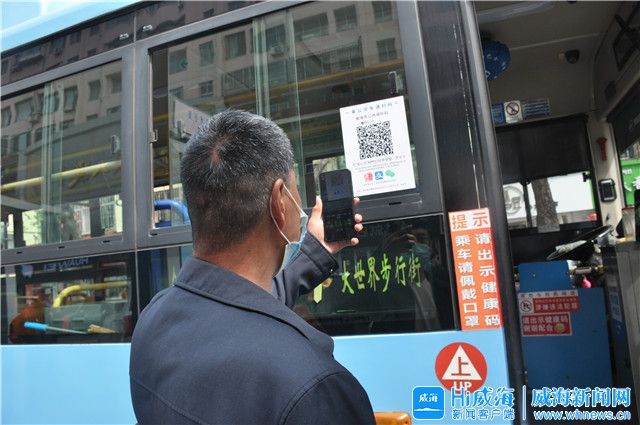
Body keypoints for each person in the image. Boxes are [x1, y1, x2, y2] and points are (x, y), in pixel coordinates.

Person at [130, 110, 375, 425]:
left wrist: (317, 251)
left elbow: (240, 306)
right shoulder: (313, 386)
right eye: (295, 188)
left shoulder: (153, 321)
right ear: (279, 201)